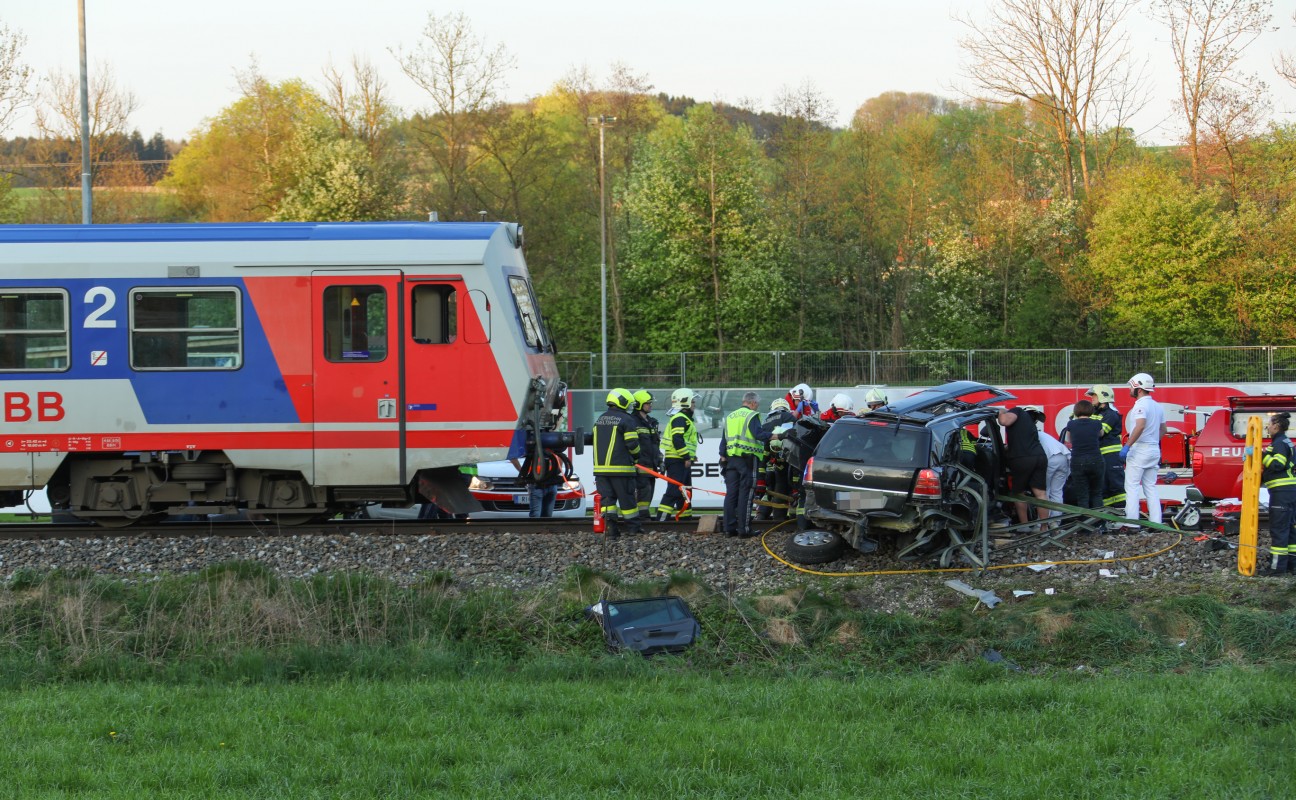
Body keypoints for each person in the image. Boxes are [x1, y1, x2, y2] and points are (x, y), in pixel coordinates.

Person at [719, 391, 772, 538]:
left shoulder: (730, 417)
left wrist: (723, 459)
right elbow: (758, 435)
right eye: (757, 405)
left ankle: (729, 529)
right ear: (753, 403)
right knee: (746, 495)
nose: (757, 407)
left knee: (731, 495)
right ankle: (744, 530)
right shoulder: (752, 416)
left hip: (731, 461)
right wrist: (777, 435)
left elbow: (724, 441)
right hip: (747, 461)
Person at [592, 387, 642, 538]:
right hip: (622, 469)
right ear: (622, 402)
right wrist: (637, 457)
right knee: (627, 500)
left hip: (601, 470)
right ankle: (634, 529)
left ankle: (611, 530)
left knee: (608, 502)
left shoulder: (600, 419)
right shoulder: (627, 419)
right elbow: (632, 444)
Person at [1122, 372, 1167, 529]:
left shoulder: (1141, 406)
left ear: (1138, 388)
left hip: (1140, 449)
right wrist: (1153, 440)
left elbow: (1140, 425)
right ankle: (1156, 523)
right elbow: (1164, 430)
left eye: (1131, 386)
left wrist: (1128, 445)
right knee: (1151, 487)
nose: (1129, 389)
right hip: (1154, 449)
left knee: (1132, 486)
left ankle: (1132, 523)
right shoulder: (1157, 406)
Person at [997, 405, 1050, 524]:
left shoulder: (1018, 411)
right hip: (1040, 457)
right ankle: (1044, 528)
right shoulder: (1030, 426)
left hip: (1022, 459)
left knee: (1018, 493)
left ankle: (1024, 525)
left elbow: (1004, 420)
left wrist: (1001, 412)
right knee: (1041, 494)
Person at [1259, 412, 1296, 576]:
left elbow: (1277, 464)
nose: (1268, 426)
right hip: (1290, 492)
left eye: (1269, 423)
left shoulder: (1279, 443)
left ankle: (1276, 569)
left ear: (1276, 425)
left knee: (1279, 530)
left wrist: (1261, 455)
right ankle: (1292, 565)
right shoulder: (1286, 442)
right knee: (1290, 530)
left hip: (1281, 492)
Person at [655, 388, 699, 521]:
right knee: (674, 491)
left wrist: (691, 456)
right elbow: (677, 439)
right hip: (677, 460)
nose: (694, 404)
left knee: (685, 491)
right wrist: (686, 457)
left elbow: (683, 440)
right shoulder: (680, 418)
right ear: (685, 402)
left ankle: (685, 520)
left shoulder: (683, 418)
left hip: (680, 459)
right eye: (693, 401)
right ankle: (661, 521)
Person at [1085, 384, 1126, 510]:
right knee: (1103, 486)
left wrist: (1085, 426)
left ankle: (1120, 512)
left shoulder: (1111, 414)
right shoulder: (1095, 413)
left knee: (1115, 485)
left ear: (1103, 397)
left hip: (1111, 456)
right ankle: (1108, 514)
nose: (1092, 399)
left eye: (1094, 396)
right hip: (1100, 456)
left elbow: (1100, 433)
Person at [1061, 399, 1106, 510]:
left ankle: (1084, 522)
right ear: (1091, 410)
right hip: (1096, 459)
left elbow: (1069, 439)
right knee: (1096, 493)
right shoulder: (1096, 423)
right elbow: (1101, 434)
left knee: (1082, 495)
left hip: (1078, 461)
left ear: (1076, 411)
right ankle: (1098, 522)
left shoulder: (1071, 424)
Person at [756, 399, 797, 521]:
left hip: (769, 464)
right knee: (785, 489)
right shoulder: (789, 417)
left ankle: (763, 516)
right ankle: (790, 518)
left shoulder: (765, 421)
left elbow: (763, 453)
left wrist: (760, 481)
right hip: (787, 463)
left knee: (771, 490)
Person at [630, 389, 662, 522]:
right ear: (639, 404)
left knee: (649, 490)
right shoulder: (632, 421)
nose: (650, 405)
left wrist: (660, 460)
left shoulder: (652, 422)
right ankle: (643, 517)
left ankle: (644, 515)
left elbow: (655, 444)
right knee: (644, 490)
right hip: (640, 464)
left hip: (651, 464)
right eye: (647, 403)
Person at [1032, 408, 1071, 508]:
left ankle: (1044, 521)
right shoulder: (1042, 434)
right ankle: (1055, 521)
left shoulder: (1032, 435)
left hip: (1050, 459)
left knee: (1044, 492)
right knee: (1057, 492)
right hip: (1064, 457)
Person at [511, 451, 564, 518]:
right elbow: (513, 457)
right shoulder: (531, 447)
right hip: (536, 486)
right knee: (536, 517)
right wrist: (524, 472)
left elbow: (561, 456)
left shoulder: (554, 446)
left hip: (551, 485)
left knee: (547, 516)